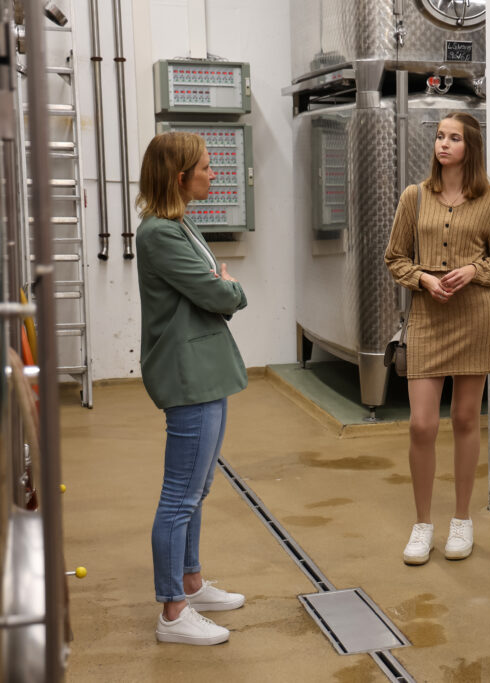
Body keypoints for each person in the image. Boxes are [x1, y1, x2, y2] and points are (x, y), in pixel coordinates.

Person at [384, 112, 490, 566]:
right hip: (427, 318)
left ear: (470, 148)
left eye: (454, 138)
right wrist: (422, 279)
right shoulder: (414, 197)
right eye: (440, 136)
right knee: (421, 424)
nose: (443, 144)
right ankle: (422, 524)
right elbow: (395, 258)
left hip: (475, 318)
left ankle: (462, 519)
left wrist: (474, 270)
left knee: (464, 418)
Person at [136, 132, 249, 645]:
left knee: (197, 490)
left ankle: (191, 582)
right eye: (205, 167)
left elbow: (213, 287)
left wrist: (220, 287)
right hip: (189, 375)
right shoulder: (158, 233)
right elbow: (215, 289)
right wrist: (228, 288)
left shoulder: (181, 223)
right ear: (180, 177)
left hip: (207, 369)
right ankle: (173, 612)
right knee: (179, 497)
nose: (214, 173)